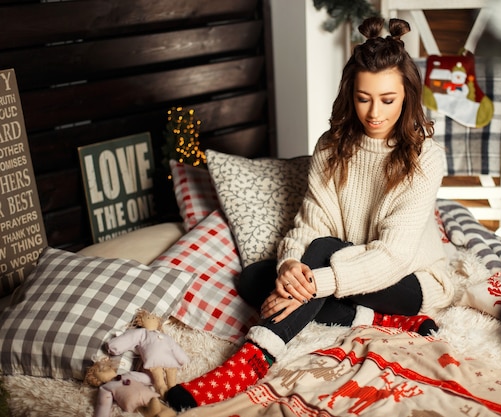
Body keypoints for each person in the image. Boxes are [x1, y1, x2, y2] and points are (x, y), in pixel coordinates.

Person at [165, 16, 454, 411]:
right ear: (350, 94)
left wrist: (316, 282)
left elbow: (393, 257)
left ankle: (251, 359)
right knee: (255, 278)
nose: (374, 112)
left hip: (408, 279)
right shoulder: (331, 147)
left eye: (388, 99)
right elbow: (311, 221)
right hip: (348, 266)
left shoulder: (425, 158)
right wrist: (288, 266)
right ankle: (379, 321)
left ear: (407, 96)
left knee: (319, 254)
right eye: (363, 97)